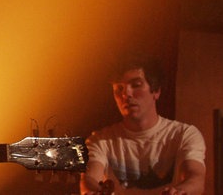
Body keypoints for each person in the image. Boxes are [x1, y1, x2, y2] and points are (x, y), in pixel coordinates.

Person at [80, 53, 206, 195]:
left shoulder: (184, 134)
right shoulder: (100, 140)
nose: (126, 94)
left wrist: (180, 191)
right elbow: (89, 178)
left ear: (156, 91)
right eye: (119, 89)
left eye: (136, 85)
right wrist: (93, 190)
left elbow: (196, 177)